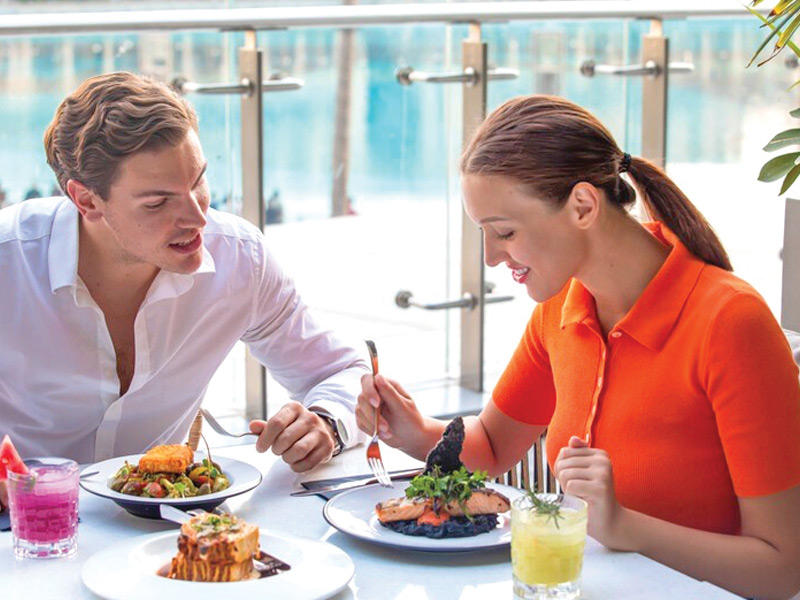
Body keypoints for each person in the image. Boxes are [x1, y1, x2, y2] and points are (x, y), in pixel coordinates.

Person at [356, 96, 800, 599]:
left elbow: (783, 568)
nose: (490, 257)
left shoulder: (731, 322)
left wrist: (623, 526)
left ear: (583, 206)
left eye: (505, 232)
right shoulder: (562, 305)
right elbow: (494, 447)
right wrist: (414, 431)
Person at [0, 72, 366, 508]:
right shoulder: (9, 261)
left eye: (198, 183)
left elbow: (342, 371)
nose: (197, 218)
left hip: (163, 521)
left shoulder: (239, 258)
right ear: (86, 200)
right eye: (158, 202)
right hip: (19, 521)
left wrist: (325, 422)